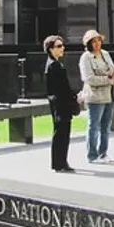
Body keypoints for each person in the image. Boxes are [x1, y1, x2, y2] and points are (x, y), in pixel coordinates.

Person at [78, 29, 114, 164]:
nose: (97, 44)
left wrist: (112, 76)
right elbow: (89, 78)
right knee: (94, 126)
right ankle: (92, 155)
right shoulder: (86, 57)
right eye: (93, 41)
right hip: (95, 97)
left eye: (99, 40)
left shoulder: (106, 54)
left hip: (109, 95)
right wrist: (107, 79)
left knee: (105, 126)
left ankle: (103, 153)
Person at [43, 34, 78, 173]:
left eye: (62, 45)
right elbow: (61, 88)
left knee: (62, 132)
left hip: (59, 103)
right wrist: (73, 97)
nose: (62, 48)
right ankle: (60, 163)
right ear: (50, 49)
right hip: (61, 104)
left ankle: (60, 162)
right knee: (61, 133)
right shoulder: (54, 65)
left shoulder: (54, 64)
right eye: (58, 46)